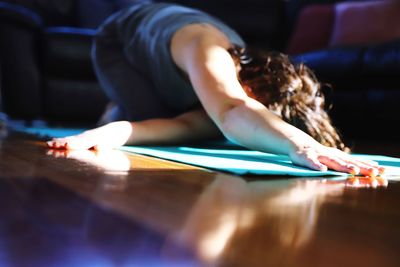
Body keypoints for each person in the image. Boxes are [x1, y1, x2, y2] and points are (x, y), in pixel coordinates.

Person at [47, 1, 384, 176]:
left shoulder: (216, 109)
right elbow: (234, 108)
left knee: (200, 125)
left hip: (149, 73)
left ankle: (113, 108)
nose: (254, 114)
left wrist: (105, 133)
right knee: (224, 114)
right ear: (254, 85)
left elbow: (170, 129)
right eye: (259, 108)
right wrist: (302, 146)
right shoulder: (208, 48)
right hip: (119, 41)